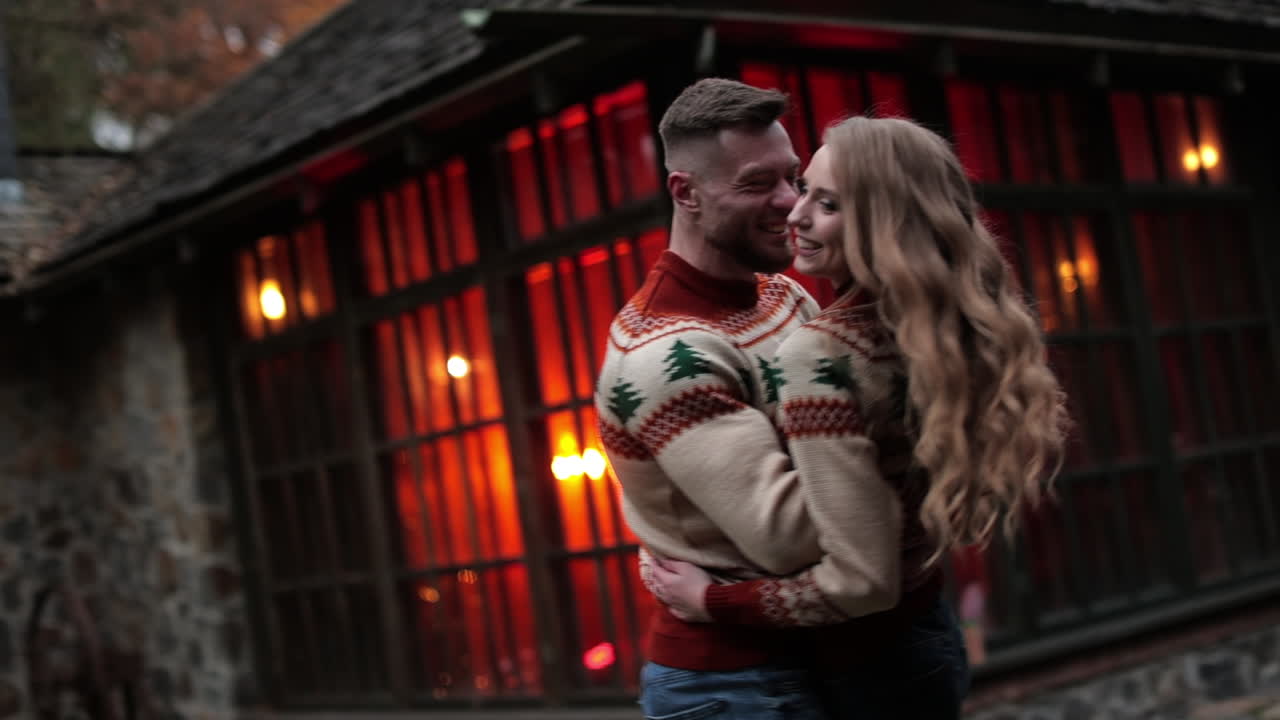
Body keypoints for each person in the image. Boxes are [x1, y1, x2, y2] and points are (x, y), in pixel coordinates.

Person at [645, 116, 1068, 718]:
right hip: (925, 632)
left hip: (870, 666)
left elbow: (861, 582)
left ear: (884, 223)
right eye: (804, 188)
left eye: (828, 204)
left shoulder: (822, 352)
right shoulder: (927, 324)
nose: (795, 214)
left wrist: (715, 600)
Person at [594, 78, 832, 719]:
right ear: (685, 192)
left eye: (794, 177)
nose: (790, 203)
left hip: (821, 657)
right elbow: (792, 535)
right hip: (735, 685)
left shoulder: (783, 294)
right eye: (758, 183)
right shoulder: (662, 356)